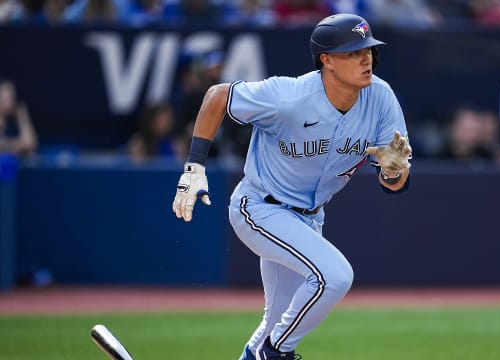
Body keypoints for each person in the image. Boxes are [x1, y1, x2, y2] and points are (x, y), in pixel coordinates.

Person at [171, 13, 411, 360]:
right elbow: (217, 96)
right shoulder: (289, 95)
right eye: (353, 52)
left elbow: (396, 184)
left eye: (369, 50)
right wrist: (194, 167)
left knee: (274, 320)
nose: (366, 58)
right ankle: (278, 353)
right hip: (260, 207)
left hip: (310, 219)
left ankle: (264, 350)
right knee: (335, 276)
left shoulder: (381, 98)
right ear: (326, 60)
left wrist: (392, 171)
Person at [0, 79, 38, 156]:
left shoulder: (15, 122)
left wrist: (23, 118)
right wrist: (17, 144)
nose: (10, 102)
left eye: (12, 97)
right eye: (6, 98)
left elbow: (30, 144)